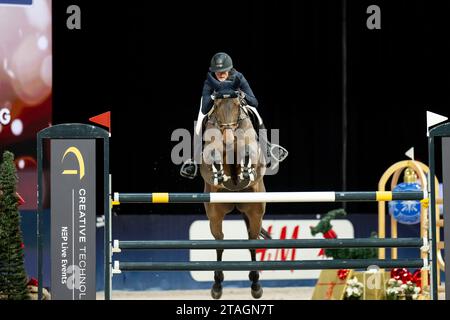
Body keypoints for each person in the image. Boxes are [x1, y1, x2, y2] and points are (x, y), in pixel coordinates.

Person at [180, 52, 288, 179]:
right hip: (215, 107)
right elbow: (204, 109)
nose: (220, 74)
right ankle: (194, 161)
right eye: (217, 71)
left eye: (223, 71)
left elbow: (254, 102)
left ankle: (267, 149)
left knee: (256, 114)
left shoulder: (238, 77)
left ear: (229, 69)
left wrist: (242, 95)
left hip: (236, 105)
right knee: (199, 123)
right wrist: (214, 96)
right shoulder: (209, 82)